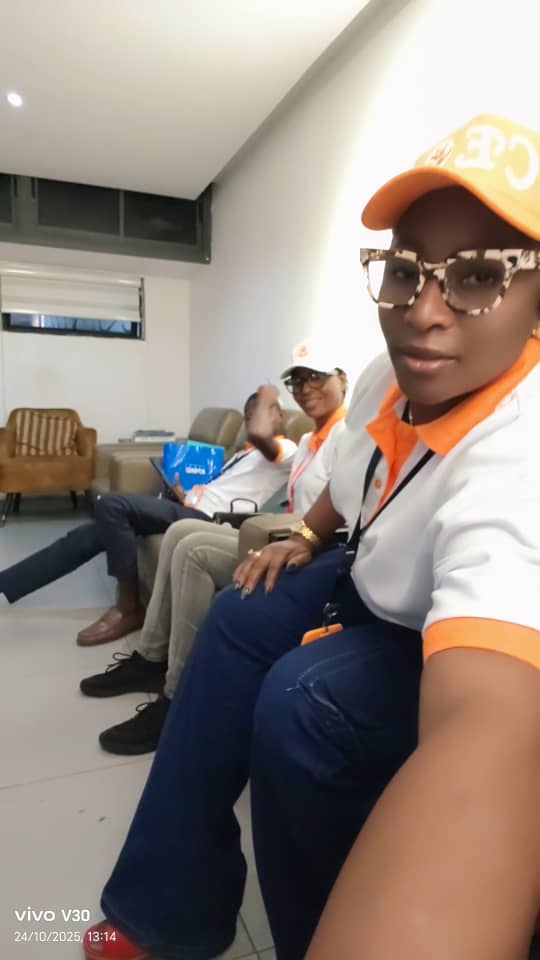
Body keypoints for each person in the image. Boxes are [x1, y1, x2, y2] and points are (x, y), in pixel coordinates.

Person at [83, 112, 540, 960]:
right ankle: (166, 907)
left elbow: (491, 723)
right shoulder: (388, 372)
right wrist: (301, 532)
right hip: (359, 577)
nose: (424, 312)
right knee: (237, 612)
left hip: (430, 635)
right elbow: (350, 477)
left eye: (479, 275)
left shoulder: (523, 444)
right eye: (405, 271)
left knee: (304, 700)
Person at [79, 340, 347, 755]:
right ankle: (150, 659)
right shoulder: (311, 439)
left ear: (342, 380)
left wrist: (299, 537)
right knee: (180, 533)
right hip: (279, 532)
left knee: (195, 551)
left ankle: (177, 698)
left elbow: (344, 512)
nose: (305, 387)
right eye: (296, 380)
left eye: (316, 376)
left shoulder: (351, 435)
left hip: (307, 548)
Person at [0, 388, 296, 645]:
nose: (251, 418)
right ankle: (7, 582)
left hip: (210, 520)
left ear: (278, 415)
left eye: (259, 411)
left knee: (112, 505)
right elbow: (222, 488)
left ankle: (128, 608)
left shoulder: (286, 450)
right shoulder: (243, 454)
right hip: (191, 506)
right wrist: (182, 493)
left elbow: (260, 435)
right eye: (247, 414)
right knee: (89, 535)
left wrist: (267, 396)